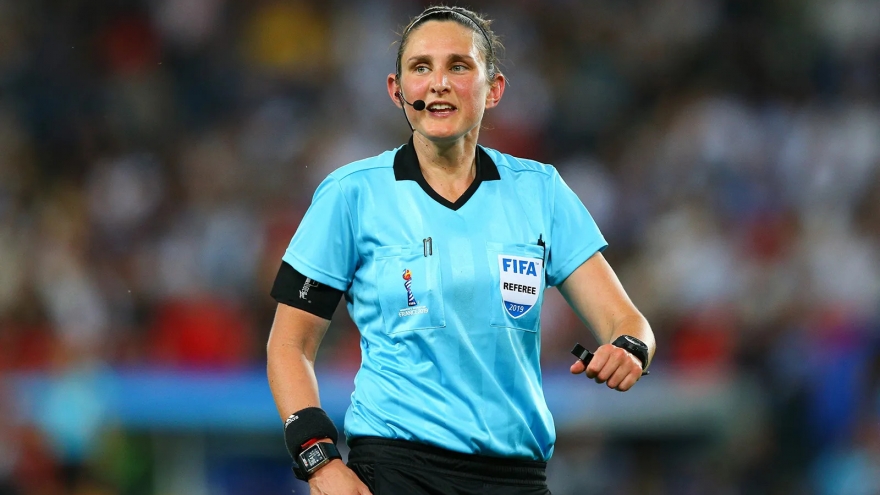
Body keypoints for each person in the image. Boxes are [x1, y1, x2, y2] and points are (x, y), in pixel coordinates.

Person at [266, 5, 656, 494]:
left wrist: (630, 350)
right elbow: (289, 344)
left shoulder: (541, 191)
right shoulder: (351, 194)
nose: (439, 83)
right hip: (395, 471)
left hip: (517, 478)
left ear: (494, 89)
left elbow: (627, 322)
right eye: (421, 67)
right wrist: (320, 462)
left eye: (458, 66)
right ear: (396, 90)